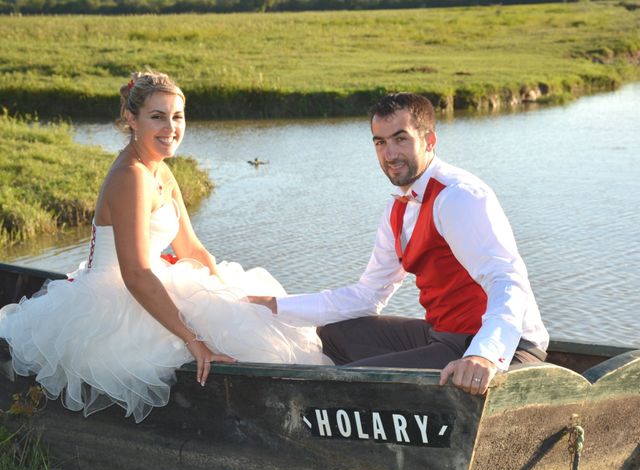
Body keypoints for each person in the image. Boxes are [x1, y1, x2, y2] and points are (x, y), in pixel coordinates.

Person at [0, 71, 330, 423]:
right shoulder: (131, 176)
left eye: (177, 116)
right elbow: (136, 274)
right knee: (213, 343)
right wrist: (192, 338)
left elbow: (191, 248)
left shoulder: (160, 170)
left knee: (257, 319)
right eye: (157, 117)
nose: (170, 128)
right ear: (131, 118)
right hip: (117, 298)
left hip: (156, 280)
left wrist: (230, 294)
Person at [250, 92, 549, 396]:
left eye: (400, 139)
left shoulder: (458, 196)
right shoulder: (399, 208)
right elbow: (367, 296)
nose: (390, 154)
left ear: (429, 140)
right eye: (380, 142)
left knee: (337, 384)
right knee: (333, 335)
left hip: (505, 348)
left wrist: (484, 354)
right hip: (445, 337)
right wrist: (278, 306)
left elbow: (507, 279)